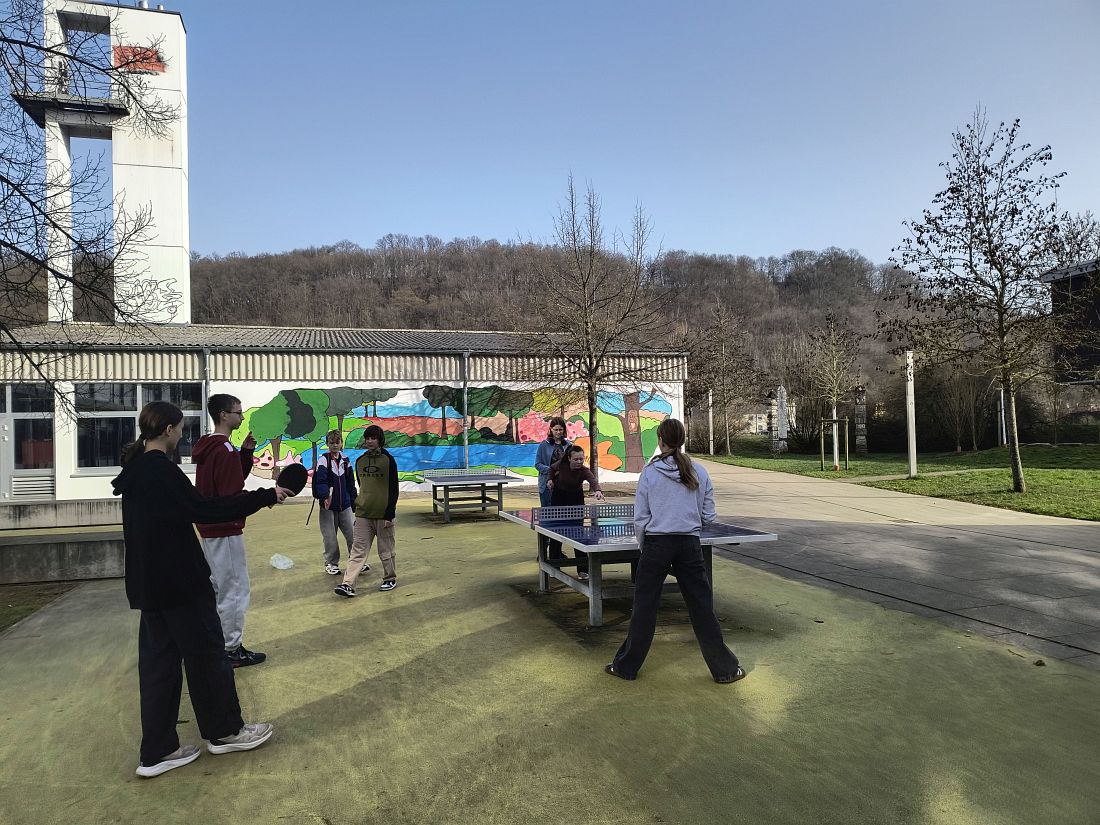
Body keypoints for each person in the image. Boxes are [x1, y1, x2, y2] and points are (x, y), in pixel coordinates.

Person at [112, 401, 289, 778]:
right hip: (180, 584)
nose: (181, 433)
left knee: (159, 668)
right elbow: (205, 509)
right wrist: (265, 496)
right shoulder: (161, 470)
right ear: (167, 430)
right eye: (179, 427)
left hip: (149, 587)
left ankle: (158, 751)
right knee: (208, 657)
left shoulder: (136, 470)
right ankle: (225, 732)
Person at [605, 418, 745, 684]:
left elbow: (641, 517)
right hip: (689, 545)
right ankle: (725, 670)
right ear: (682, 439)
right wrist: (690, 523)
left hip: (657, 544)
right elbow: (709, 515)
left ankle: (625, 667)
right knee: (702, 607)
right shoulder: (699, 471)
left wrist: (645, 546)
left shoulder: (649, 473)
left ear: (661, 441)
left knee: (644, 607)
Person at [193, 394, 265, 667]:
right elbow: (232, 495)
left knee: (218, 586)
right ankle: (231, 649)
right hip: (225, 528)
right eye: (238, 412)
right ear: (224, 415)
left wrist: (245, 454)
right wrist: (266, 497)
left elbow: (229, 481)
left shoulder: (213, 447)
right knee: (234, 589)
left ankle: (216, 643)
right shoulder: (223, 450)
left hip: (211, 528)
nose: (242, 417)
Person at [335, 424, 399, 597]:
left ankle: (389, 578)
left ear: (380, 440)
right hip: (363, 514)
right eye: (367, 438)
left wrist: (390, 514)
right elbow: (361, 486)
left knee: (386, 551)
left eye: (373, 438)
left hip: (383, 514)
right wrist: (358, 506)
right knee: (357, 551)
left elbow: (394, 488)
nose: (370, 441)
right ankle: (348, 584)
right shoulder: (360, 461)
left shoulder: (388, 460)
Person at [547, 444, 605, 577]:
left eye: (581, 459)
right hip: (559, 497)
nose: (579, 462)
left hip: (576, 498)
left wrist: (598, 490)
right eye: (576, 459)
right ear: (569, 458)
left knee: (578, 532)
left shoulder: (584, 470)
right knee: (556, 531)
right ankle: (554, 567)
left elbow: (592, 480)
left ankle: (583, 570)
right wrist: (550, 479)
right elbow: (551, 468)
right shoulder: (561, 465)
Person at [312, 429, 360, 576]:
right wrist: (325, 496)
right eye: (331, 442)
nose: (334, 445)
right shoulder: (323, 460)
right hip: (328, 507)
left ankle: (356, 562)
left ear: (341, 443)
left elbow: (351, 483)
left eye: (337, 442)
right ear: (327, 444)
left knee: (353, 535)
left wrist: (354, 501)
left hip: (345, 505)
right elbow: (320, 481)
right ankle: (331, 563)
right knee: (330, 538)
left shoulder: (346, 460)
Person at [534, 417, 571, 558]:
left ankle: (556, 551)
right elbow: (537, 464)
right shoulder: (543, 445)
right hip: (547, 487)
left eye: (561, 430)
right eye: (556, 430)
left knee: (560, 519)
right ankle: (543, 552)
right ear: (551, 429)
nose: (558, 432)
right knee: (547, 519)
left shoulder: (568, 446)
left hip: (563, 487)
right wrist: (551, 470)